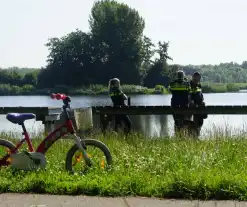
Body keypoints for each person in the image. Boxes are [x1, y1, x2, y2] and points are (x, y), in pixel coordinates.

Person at [168, 70, 191, 134]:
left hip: (175, 104)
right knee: (183, 121)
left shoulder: (172, 83)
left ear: (177, 76)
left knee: (176, 121)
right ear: (183, 75)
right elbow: (189, 92)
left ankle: (177, 135)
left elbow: (169, 90)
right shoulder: (186, 83)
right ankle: (182, 134)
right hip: (184, 104)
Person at [189, 72, 208, 137]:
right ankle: (193, 137)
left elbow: (200, 94)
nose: (197, 80)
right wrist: (191, 102)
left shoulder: (199, 85)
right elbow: (188, 96)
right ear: (193, 77)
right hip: (192, 106)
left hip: (199, 105)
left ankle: (197, 136)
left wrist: (202, 100)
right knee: (192, 123)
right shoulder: (189, 85)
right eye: (196, 79)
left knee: (200, 122)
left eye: (199, 79)